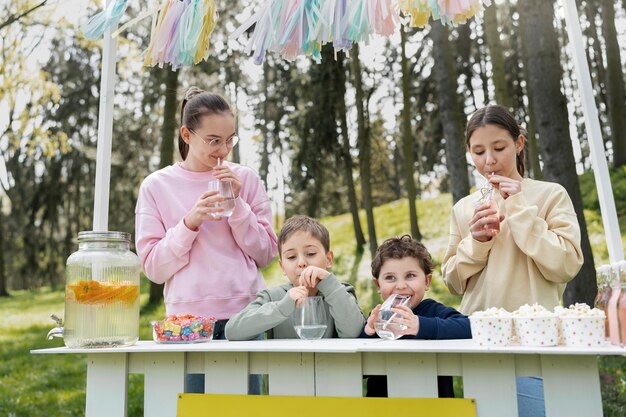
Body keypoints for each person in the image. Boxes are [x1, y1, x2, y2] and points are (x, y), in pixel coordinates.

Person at [441, 105, 584, 416]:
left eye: (499, 148)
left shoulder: (550, 195)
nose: (489, 160)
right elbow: (452, 281)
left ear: (519, 143)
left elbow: (567, 264)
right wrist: (476, 243)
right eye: (478, 151)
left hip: (533, 341)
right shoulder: (464, 209)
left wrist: (518, 206)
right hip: (478, 343)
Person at [135, 87, 278, 392]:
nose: (224, 150)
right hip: (187, 324)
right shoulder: (156, 186)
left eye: (229, 140)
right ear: (186, 135)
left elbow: (266, 254)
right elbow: (153, 268)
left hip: (246, 316)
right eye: (213, 141)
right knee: (195, 408)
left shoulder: (246, 179)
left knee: (247, 410)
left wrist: (238, 205)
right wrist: (190, 222)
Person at [361, 235, 471, 397]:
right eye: (390, 278)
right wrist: (367, 333)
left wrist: (420, 325)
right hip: (384, 407)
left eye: (410, 276)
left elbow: (469, 326)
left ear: (426, 282)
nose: (400, 285)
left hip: (433, 406)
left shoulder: (433, 311)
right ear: (378, 285)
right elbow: (360, 367)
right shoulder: (377, 318)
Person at [225, 215, 366, 340]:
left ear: (328, 259)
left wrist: (330, 285)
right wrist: (282, 307)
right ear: (283, 267)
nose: (301, 263)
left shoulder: (340, 291)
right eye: (291, 257)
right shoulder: (272, 297)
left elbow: (353, 332)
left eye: (311, 253)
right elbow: (232, 331)